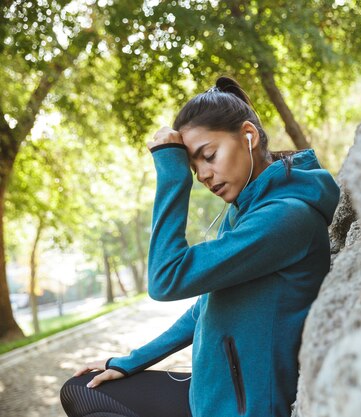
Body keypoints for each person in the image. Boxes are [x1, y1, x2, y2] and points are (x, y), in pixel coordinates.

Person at [60, 76, 340, 417]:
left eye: (208, 155)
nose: (203, 175)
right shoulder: (246, 211)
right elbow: (204, 308)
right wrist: (129, 362)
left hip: (242, 407)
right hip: (210, 392)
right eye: (192, 168)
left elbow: (166, 280)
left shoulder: (284, 217)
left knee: (89, 399)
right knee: (83, 389)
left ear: (248, 136)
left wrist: (172, 174)